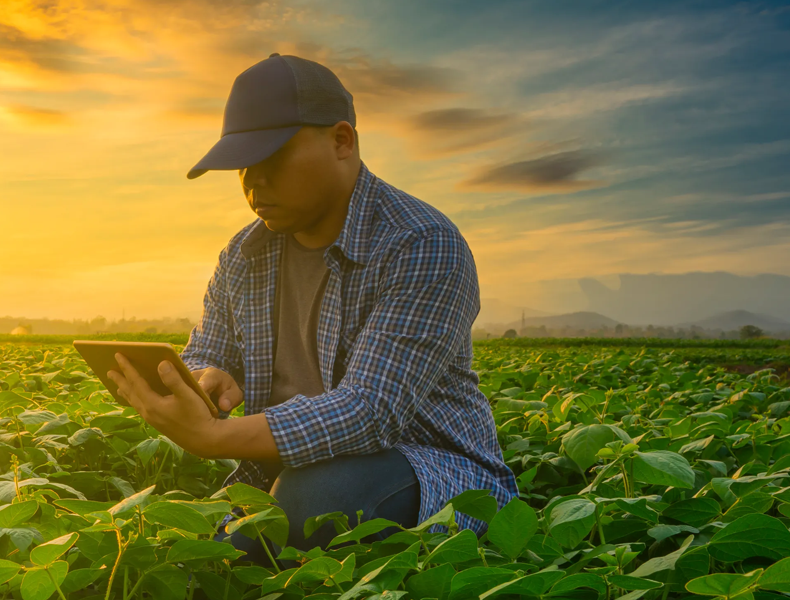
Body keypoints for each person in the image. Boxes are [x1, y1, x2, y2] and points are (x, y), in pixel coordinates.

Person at [106, 52, 517, 563]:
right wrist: (204, 377)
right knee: (210, 531)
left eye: (273, 158)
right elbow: (205, 349)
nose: (254, 182)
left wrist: (215, 436)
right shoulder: (244, 254)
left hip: (427, 469)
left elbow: (372, 411)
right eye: (243, 167)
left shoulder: (422, 242)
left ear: (342, 141)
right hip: (281, 475)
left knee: (316, 499)